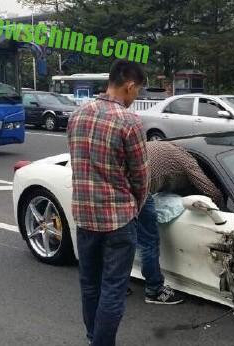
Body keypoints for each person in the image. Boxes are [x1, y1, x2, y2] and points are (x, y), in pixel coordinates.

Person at [67, 59, 149, 346]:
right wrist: (135, 207)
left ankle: (94, 338)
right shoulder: (129, 122)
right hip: (118, 220)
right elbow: (141, 177)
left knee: (89, 285)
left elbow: (78, 165)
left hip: (85, 217)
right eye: (136, 92)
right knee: (113, 289)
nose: (135, 98)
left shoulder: (77, 115)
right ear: (129, 86)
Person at [137, 140, 223, 304]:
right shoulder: (188, 162)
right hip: (137, 189)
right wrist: (223, 210)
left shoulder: (166, 147)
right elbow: (211, 191)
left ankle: (114, 284)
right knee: (148, 241)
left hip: (117, 182)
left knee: (120, 238)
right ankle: (154, 290)